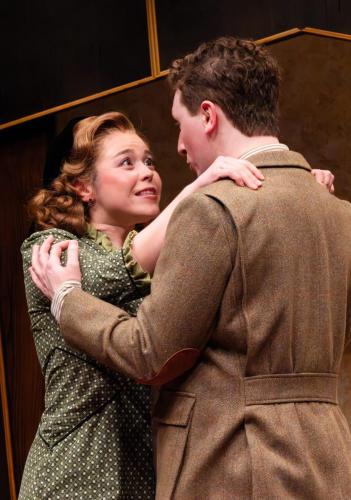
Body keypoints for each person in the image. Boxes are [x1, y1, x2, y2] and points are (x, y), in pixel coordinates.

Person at [30, 37, 349, 499]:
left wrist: (67, 299)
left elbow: (150, 352)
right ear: (83, 186)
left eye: (180, 127)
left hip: (237, 463)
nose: (178, 147)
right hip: (327, 459)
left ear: (208, 115)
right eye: (127, 162)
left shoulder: (213, 210)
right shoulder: (337, 211)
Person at [19, 110, 268, 500]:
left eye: (149, 161)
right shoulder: (49, 250)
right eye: (127, 162)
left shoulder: (166, 261)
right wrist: (201, 185)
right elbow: (114, 270)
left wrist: (295, 189)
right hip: (71, 472)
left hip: (146, 473)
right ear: (85, 187)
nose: (148, 171)